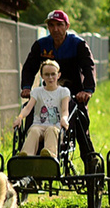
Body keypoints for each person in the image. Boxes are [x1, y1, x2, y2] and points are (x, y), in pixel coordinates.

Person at [19, 9, 99, 168]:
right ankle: (26, 153)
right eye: (52, 25)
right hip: (48, 94)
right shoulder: (41, 45)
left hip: (75, 95)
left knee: (81, 123)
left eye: (59, 25)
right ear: (48, 27)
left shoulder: (78, 44)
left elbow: (88, 67)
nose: (55, 29)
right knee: (31, 111)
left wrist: (87, 90)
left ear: (67, 26)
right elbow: (29, 67)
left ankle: (90, 163)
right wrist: (27, 87)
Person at [13, 59, 70, 157]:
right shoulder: (37, 92)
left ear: (58, 75)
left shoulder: (63, 92)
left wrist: (64, 119)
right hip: (38, 125)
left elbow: (65, 110)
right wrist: (20, 117)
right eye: (47, 74)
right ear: (42, 76)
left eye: (53, 74)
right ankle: (26, 156)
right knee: (34, 131)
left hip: (55, 126)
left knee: (51, 130)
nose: (50, 77)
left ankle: (50, 155)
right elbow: (28, 108)